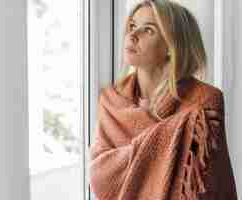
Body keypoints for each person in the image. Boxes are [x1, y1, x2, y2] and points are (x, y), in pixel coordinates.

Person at [89, 0, 238, 199]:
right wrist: (162, 145)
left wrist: (134, 157)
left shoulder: (204, 101)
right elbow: (100, 175)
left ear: (171, 45)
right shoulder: (111, 101)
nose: (132, 35)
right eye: (133, 26)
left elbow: (211, 183)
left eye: (148, 30)